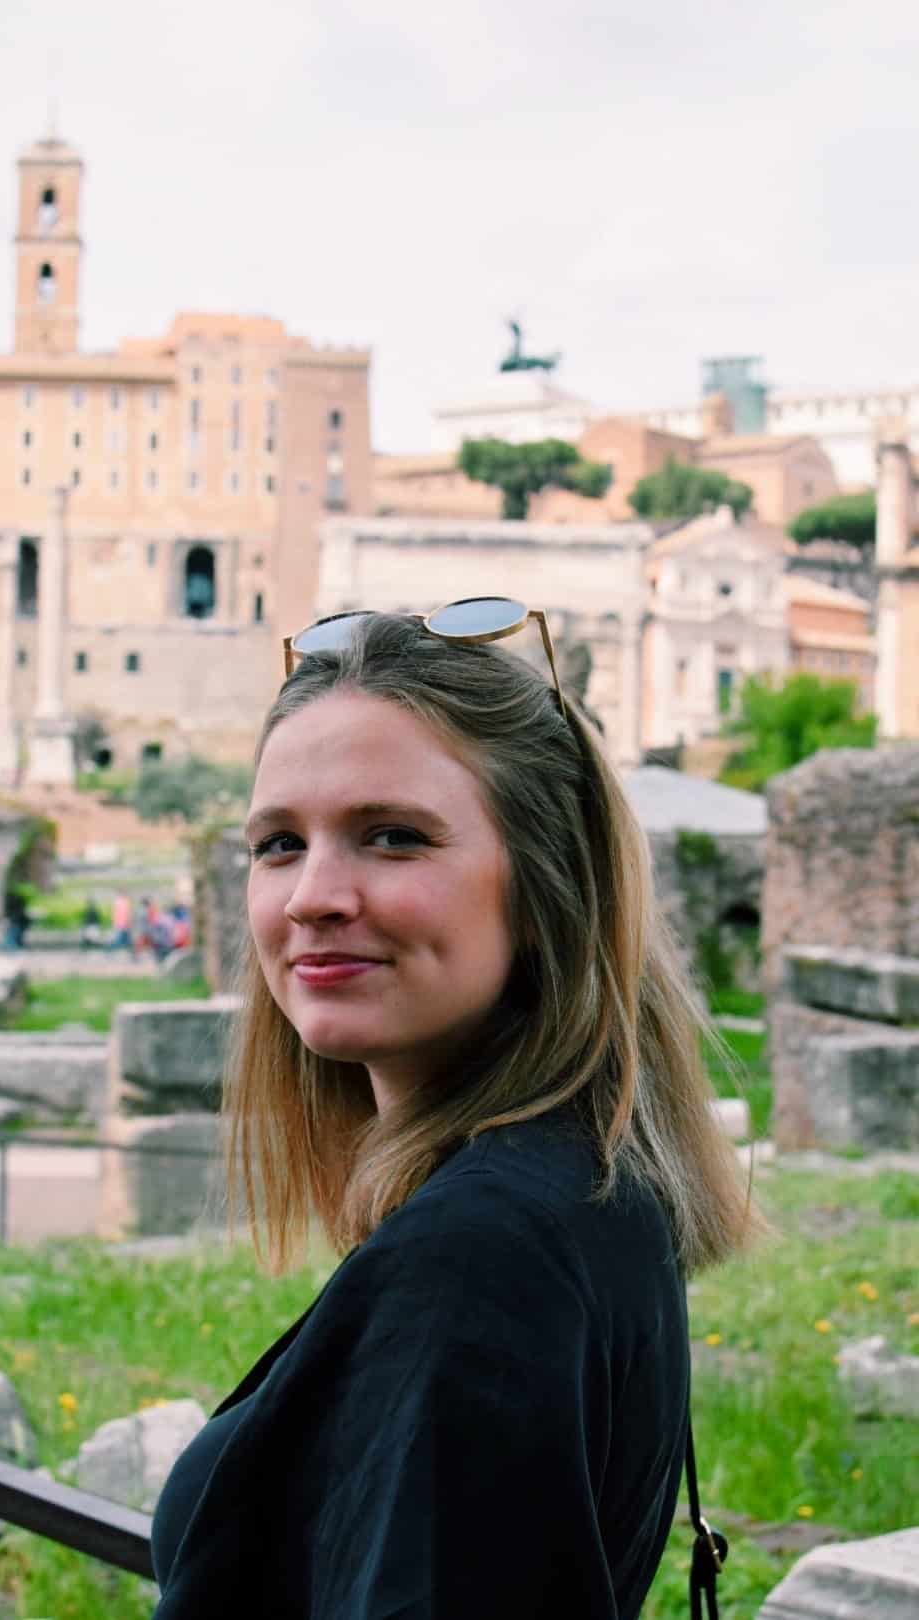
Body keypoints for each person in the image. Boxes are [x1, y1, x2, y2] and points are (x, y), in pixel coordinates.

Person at [151, 605, 758, 1620]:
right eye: (277, 844)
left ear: (547, 882)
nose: (312, 895)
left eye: (393, 837)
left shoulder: (479, 1256)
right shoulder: (587, 1186)